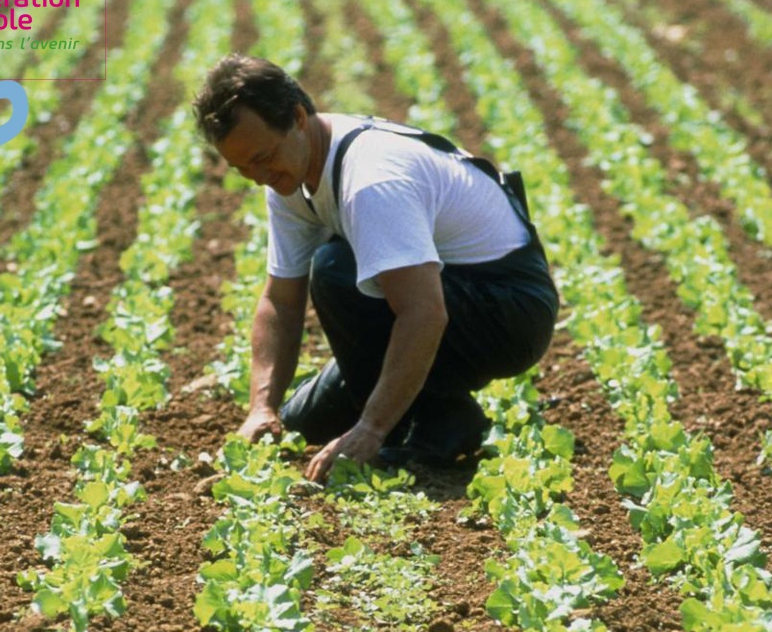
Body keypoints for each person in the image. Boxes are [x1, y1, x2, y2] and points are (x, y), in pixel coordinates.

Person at [192, 54, 558, 482]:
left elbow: (424, 312)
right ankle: (407, 412)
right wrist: (262, 407)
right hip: (446, 297)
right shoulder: (287, 172)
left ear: (297, 117)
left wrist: (372, 428)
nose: (257, 177)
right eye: (242, 168)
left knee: (334, 269)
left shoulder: (372, 180)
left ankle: (447, 423)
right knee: (298, 424)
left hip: (509, 310)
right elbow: (280, 300)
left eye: (262, 157)